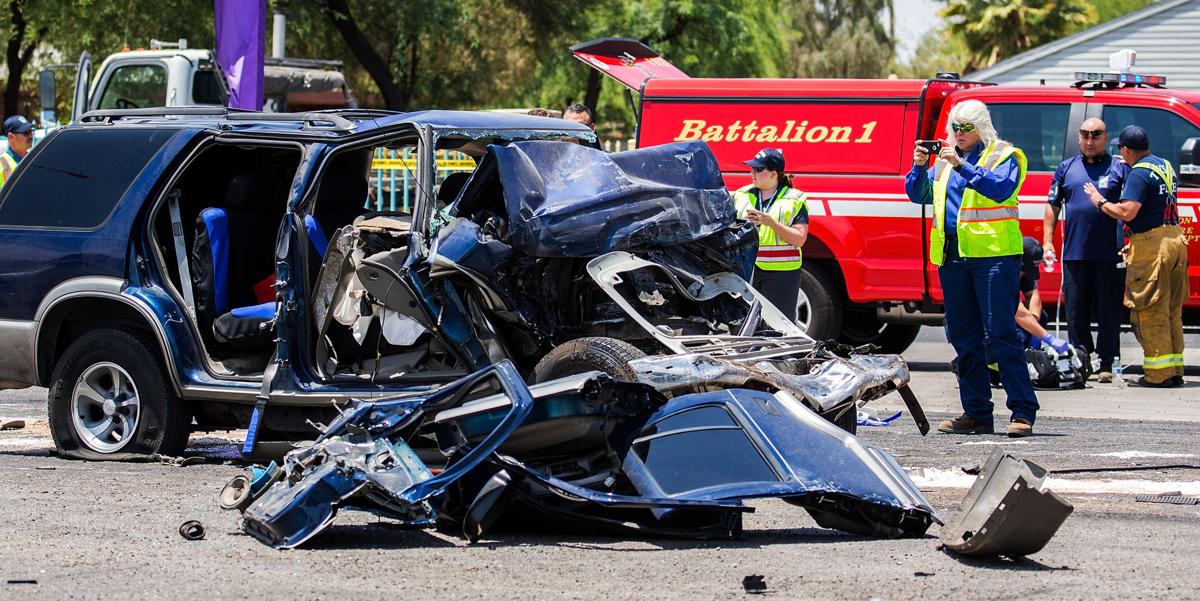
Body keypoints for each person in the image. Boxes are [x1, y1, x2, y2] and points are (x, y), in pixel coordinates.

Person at [905, 99, 1039, 437]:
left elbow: (1000, 190)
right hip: (953, 256)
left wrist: (962, 165)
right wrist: (919, 167)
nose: (958, 134)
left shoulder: (1006, 155)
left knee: (1001, 334)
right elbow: (919, 194)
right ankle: (977, 413)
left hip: (994, 256)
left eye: (965, 128)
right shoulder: (947, 161)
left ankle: (1022, 410)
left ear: (981, 128)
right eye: (954, 128)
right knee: (964, 337)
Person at [1086, 125, 1187, 387]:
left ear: (1127, 150)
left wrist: (1099, 201)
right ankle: (1174, 369)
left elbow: (1128, 211)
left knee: (1149, 310)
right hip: (1175, 239)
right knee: (1170, 311)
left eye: (1122, 150)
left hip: (1153, 244)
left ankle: (1158, 374)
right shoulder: (1163, 165)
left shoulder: (1139, 173)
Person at [1043, 118, 1129, 383]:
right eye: (1085, 135)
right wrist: (1048, 242)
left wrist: (1130, 241)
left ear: (1106, 138)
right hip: (1075, 254)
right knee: (1076, 313)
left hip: (1109, 254)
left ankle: (1107, 362)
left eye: (1096, 135)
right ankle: (1081, 361)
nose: (1089, 141)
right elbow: (1052, 206)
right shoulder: (1066, 168)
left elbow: (1130, 207)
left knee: (1108, 312)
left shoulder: (1119, 168)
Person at [732, 148, 809, 322]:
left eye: (758, 170)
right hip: (748, 270)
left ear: (773, 174)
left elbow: (800, 238)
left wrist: (771, 223)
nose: (752, 173)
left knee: (779, 326)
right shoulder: (741, 195)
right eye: (752, 168)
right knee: (746, 325)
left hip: (781, 274)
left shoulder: (794, 199)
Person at [0, 115, 33, 190]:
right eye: (26, 132)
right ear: (11, 137)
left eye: (31, 131)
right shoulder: (1, 164)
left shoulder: (34, 160)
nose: (30, 135)